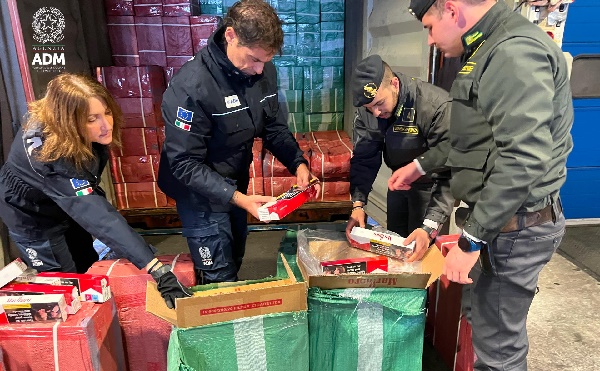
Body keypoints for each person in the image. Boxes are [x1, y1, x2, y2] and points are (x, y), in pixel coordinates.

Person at [405, 0, 573, 371]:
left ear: (451, 9)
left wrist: (471, 239)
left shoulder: (513, 52)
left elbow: (523, 159)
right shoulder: (487, 48)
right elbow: (476, 137)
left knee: (501, 339)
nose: (430, 39)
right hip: (500, 219)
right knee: (480, 314)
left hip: (517, 226)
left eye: (429, 26)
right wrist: (422, 165)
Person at [0, 73, 191, 309]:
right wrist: (156, 269)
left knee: (87, 266)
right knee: (64, 286)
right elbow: (100, 218)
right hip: (31, 215)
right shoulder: (50, 157)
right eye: (92, 119)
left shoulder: (71, 129)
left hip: (65, 204)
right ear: (68, 121)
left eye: (107, 113)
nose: (106, 125)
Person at [159, 0, 314, 284]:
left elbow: (273, 126)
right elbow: (183, 163)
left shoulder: (261, 70)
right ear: (230, 36)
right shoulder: (191, 87)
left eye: (266, 61)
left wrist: (298, 163)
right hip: (198, 191)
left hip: (234, 177)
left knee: (236, 254)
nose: (260, 70)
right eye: (254, 59)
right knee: (219, 275)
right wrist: (240, 199)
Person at [347, 54, 454, 261]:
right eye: (369, 108)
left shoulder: (434, 106)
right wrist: (358, 204)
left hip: (433, 188)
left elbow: (451, 172)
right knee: (396, 252)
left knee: (423, 257)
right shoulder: (369, 109)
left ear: (394, 84)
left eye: (380, 103)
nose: (376, 113)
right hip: (398, 185)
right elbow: (364, 157)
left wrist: (430, 226)